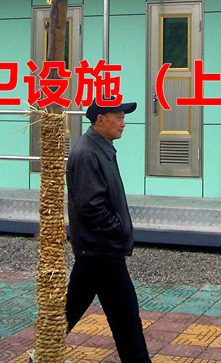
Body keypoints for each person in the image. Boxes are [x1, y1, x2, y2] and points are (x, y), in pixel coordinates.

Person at [65, 100, 151, 363]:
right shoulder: (88, 153)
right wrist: (118, 229)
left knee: (70, 309)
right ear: (101, 119)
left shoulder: (98, 148)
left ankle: (44, 350)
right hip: (102, 250)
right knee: (126, 317)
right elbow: (90, 206)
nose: (124, 123)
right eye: (119, 117)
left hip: (95, 249)